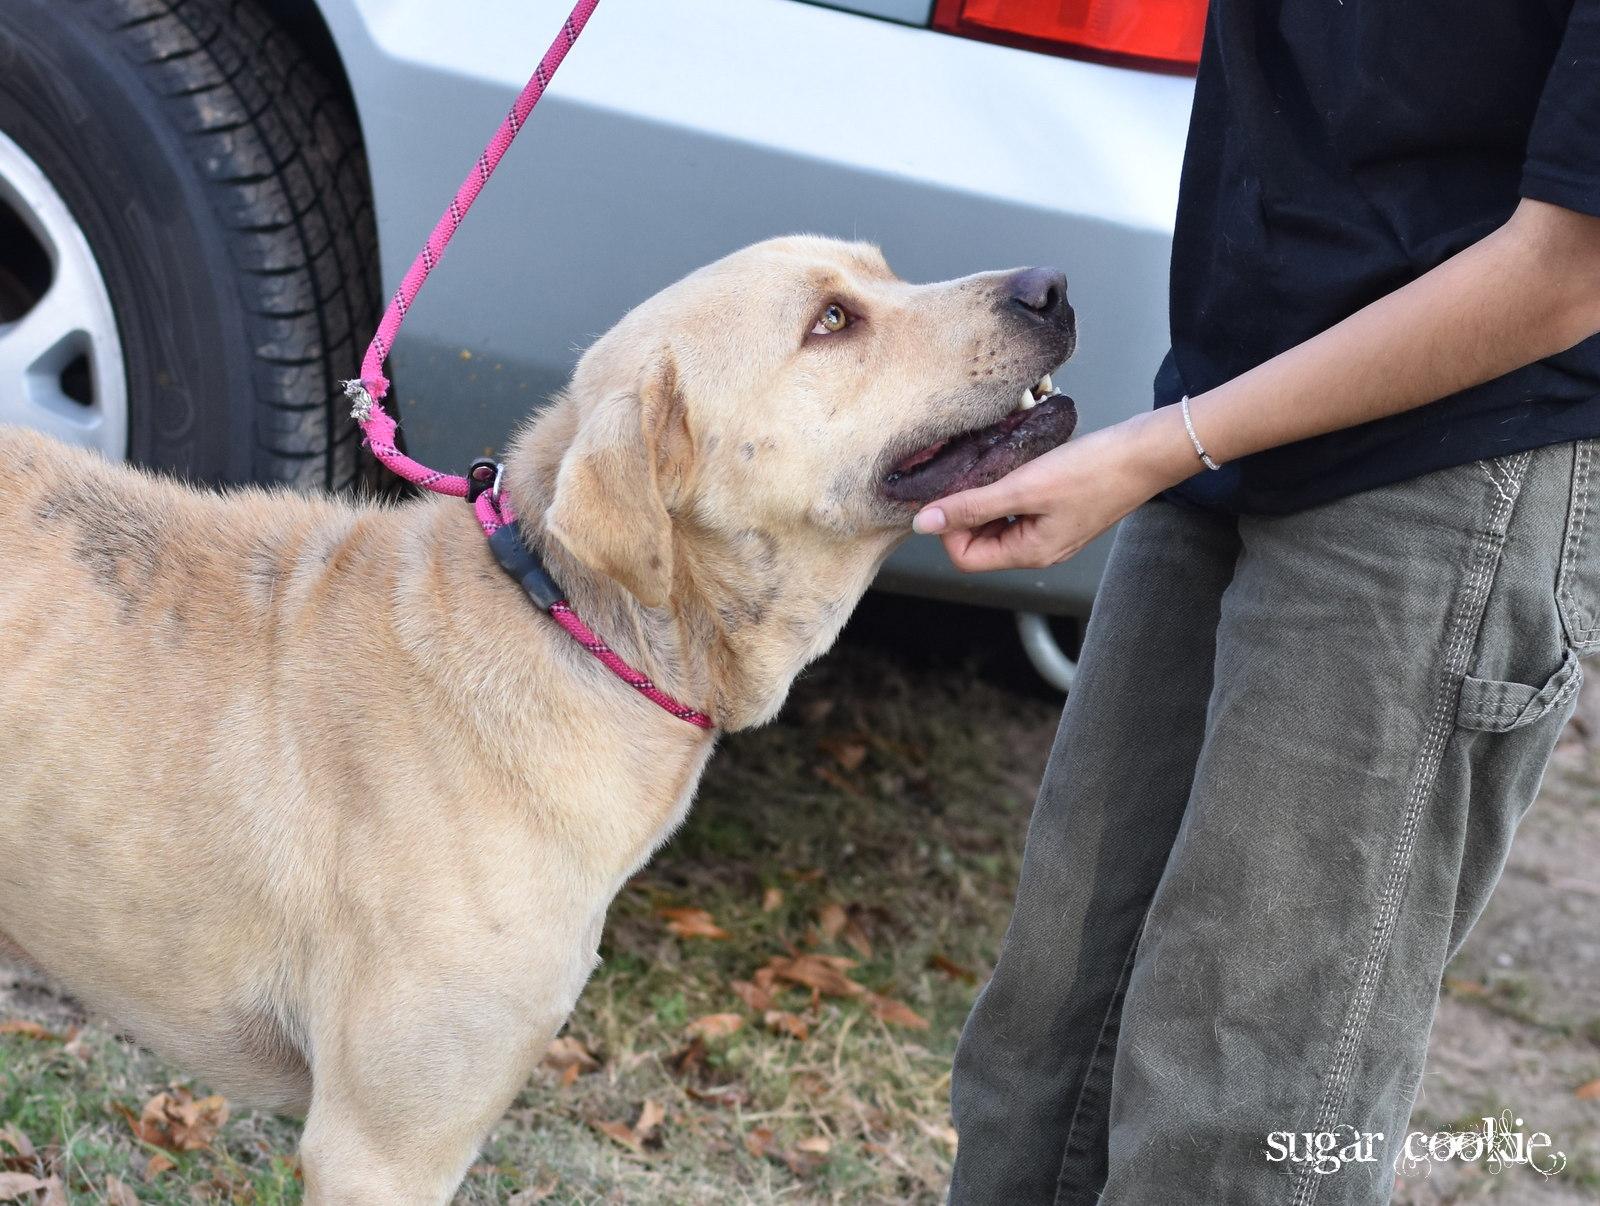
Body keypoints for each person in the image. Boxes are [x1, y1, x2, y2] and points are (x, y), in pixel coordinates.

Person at [933, 3, 1600, 1203]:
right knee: (1044, 1057)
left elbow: (1570, 271)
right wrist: (1183, 442)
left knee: (1240, 1114)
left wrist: (1162, 447)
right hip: (1230, 399)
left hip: (1451, 463)